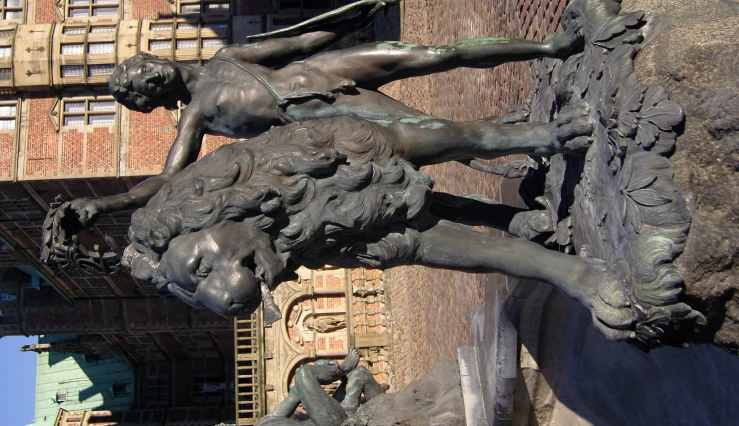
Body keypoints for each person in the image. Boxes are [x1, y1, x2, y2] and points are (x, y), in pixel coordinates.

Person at [51, 0, 588, 232]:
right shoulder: (198, 118)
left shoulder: (225, 56)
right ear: (147, 100)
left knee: (435, 54)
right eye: (133, 82)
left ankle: (550, 47)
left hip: (333, 70)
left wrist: (355, 19)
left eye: (134, 65)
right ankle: (524, 146)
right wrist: (110, 205)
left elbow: (300, 43)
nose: (140, 70)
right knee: (438, 134)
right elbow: (164, 180)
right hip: (329, 118)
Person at [114, 115, 636, 342]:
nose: (218, 295)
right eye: (201, 291)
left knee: (443, 140)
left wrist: (535, 135)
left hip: (335, 157)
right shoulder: (280, 250)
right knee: (441, 246)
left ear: (210, 216)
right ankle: (570, 272)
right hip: (332, 233)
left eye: (202, 268)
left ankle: (533, 134)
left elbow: (445, 138)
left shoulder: (270, 169)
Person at [257, 347, 383, 425]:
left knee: (360, 375)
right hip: (329, 423)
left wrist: (320, 367)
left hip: (335, 417)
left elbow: (295, 395)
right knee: (303, 373)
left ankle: (386, 412)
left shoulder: (266, 422)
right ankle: (343, 369)